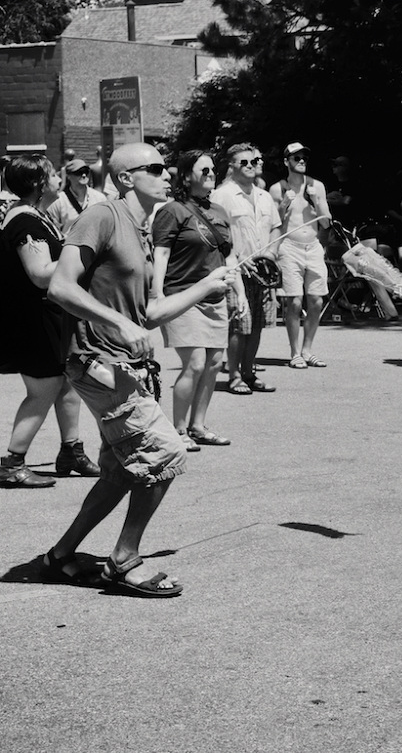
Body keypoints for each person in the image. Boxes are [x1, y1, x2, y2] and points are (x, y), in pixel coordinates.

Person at [42, 143, 234, 595]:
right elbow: (60, 287)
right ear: (126, 177)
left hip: (125, 364)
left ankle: (60, 555)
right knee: (165, 453)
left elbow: (148, 313)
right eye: (156, 168)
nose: (168, 175)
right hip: (96, 361)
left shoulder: (143, 229)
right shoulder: (102, 216)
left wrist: (205, 285)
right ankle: (124, 559)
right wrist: (117, 322)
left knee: (120, 471)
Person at [0, 156, 97, 488]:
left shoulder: (33, 215)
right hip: (34, 319)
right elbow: (40, 274)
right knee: (43, 389)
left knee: (66, 382)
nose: (59, 179)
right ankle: (12, 462)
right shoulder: (25, 222)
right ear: (38, 184)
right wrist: (84, 255)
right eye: (53, 174)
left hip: (47, 316)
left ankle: (72, 450)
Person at [152, 150, 240, 450]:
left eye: (213, 169)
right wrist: (157, 293)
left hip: (215, 297)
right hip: (183, 295)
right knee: (195, 363)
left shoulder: (219, 211)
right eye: (204, 170)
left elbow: (229, 256)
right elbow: (161, 253)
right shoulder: (172, 211)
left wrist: (239, 292)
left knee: (214, 363)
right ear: (187, 177)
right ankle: (178, 430)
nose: (211, 174)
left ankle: (198, 426)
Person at [211, 144, 280, 395]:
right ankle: (235, 376)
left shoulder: (264, 195)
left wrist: (271, 253)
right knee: (239, 324)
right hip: (237, 270)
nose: (250, 166)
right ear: (231, 166)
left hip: (263, 271)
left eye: (254, 161)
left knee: (257, 324)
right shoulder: (222, 195)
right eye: (244, 162)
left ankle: (249, 373)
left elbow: (276, 227)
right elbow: (216, 232)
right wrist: (238, 256)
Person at [270, 142, 332, 368]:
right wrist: (284, 205)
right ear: (286, 162)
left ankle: (307, 350)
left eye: (304, 157)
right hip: (289, 246)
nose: (302, 160)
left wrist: (316, 201)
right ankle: (295, 352)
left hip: (312, 246)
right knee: (294, 302)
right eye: (296, 158)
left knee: (316, 300)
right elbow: (273, 223)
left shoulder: (317, 186)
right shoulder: (278, 189)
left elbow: (326, 222)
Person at [45, 158, 106, 234]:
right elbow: (52, 231)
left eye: (86, 172)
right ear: (68, 176)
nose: (84, 175)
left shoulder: (100, 199)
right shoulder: (58, 201)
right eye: (79, 173)